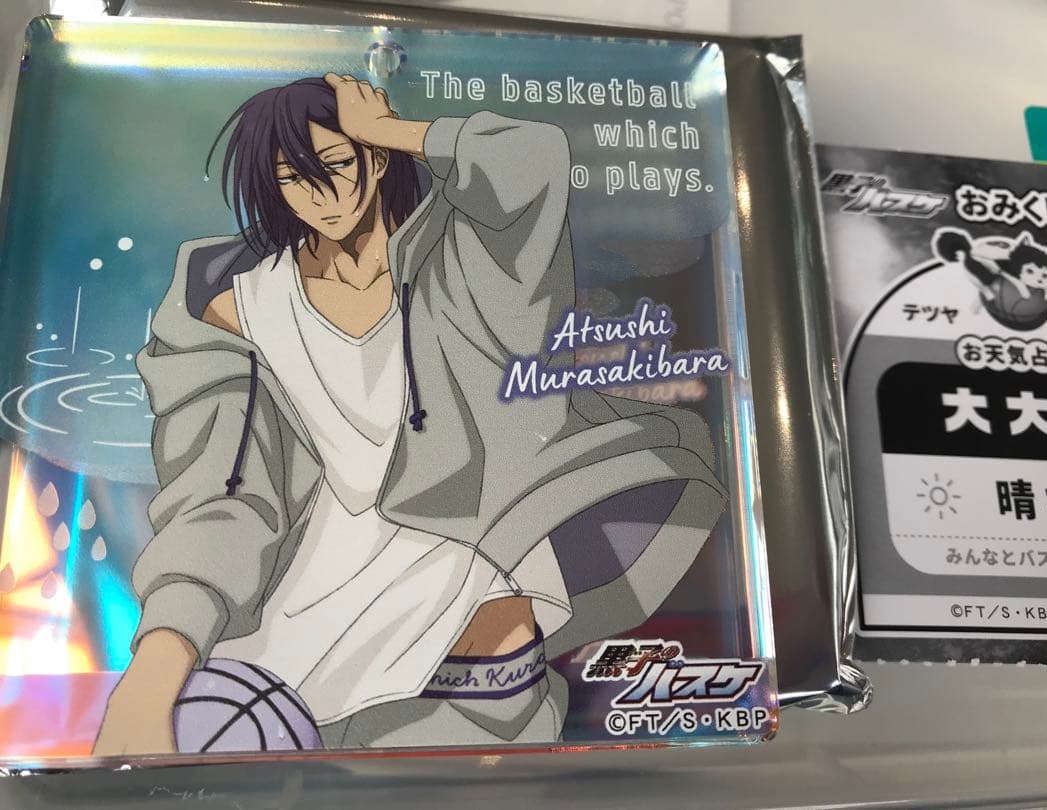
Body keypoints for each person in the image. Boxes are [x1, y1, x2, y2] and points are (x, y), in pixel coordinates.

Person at [93, 73, 727, 755]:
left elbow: (534, 158)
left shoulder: (467, 257)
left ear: (374, 158)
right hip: (317, 566)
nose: (321, 194)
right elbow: (218, 493)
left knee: (487, 725)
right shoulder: (232, 307)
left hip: (480, 530)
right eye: (294, 178)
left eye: (337, 163)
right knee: (280, 729)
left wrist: (394, 131)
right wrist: (153, 672)